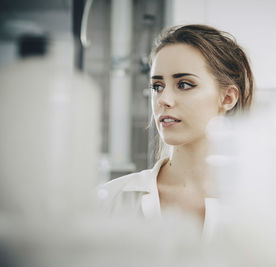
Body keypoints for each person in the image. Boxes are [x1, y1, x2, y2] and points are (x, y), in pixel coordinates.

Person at [98, 24, 254, 236]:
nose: (164, 100)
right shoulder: (109, 200)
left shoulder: (262, 207)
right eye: (157, 86)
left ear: (227, 98)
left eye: (184, 85)